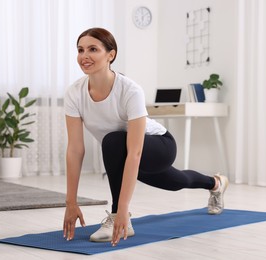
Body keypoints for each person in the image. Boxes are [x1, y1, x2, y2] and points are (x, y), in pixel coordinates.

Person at [63, 27, 228, 247]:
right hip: (124, 153)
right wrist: (70, 203)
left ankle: (117, 218)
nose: (84, 56)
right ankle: (215, 183)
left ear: (111, 55)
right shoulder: (74, 93)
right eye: (80, 50)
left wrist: (122, 211)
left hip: (159, 145)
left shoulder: (130, 90)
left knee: (112, 141)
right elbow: (75, 149)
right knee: (176, 182)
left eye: (93, 49)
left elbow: (135, 151)